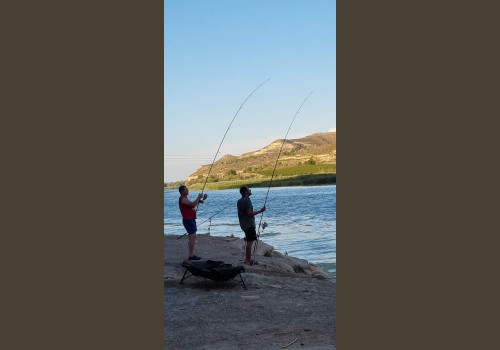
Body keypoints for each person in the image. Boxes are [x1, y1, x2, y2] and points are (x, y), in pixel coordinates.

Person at [237, 186, 266, 266]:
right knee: (250, 242)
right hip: (249, 224)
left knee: (249, 241)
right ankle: (248, 260)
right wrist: (261, 211)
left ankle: (247, 259)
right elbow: (249, 213)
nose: (250, 190)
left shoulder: (239, 201)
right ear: (246, 192)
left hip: (243, 224)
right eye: (248, 189)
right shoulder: (247, 201)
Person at [178, 185, 204, 260]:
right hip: (188, 220)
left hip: (191, 220)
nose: (188, 190)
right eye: (186, 189)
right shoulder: (182, 199)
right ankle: (191, 255)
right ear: (182, 191)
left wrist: (198, 201)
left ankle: (191, 255)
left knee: (193, 237)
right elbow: (192, 205)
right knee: (193, 237)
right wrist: (198, 198)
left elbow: (192, 204)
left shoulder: (185, 198)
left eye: (187, 189)